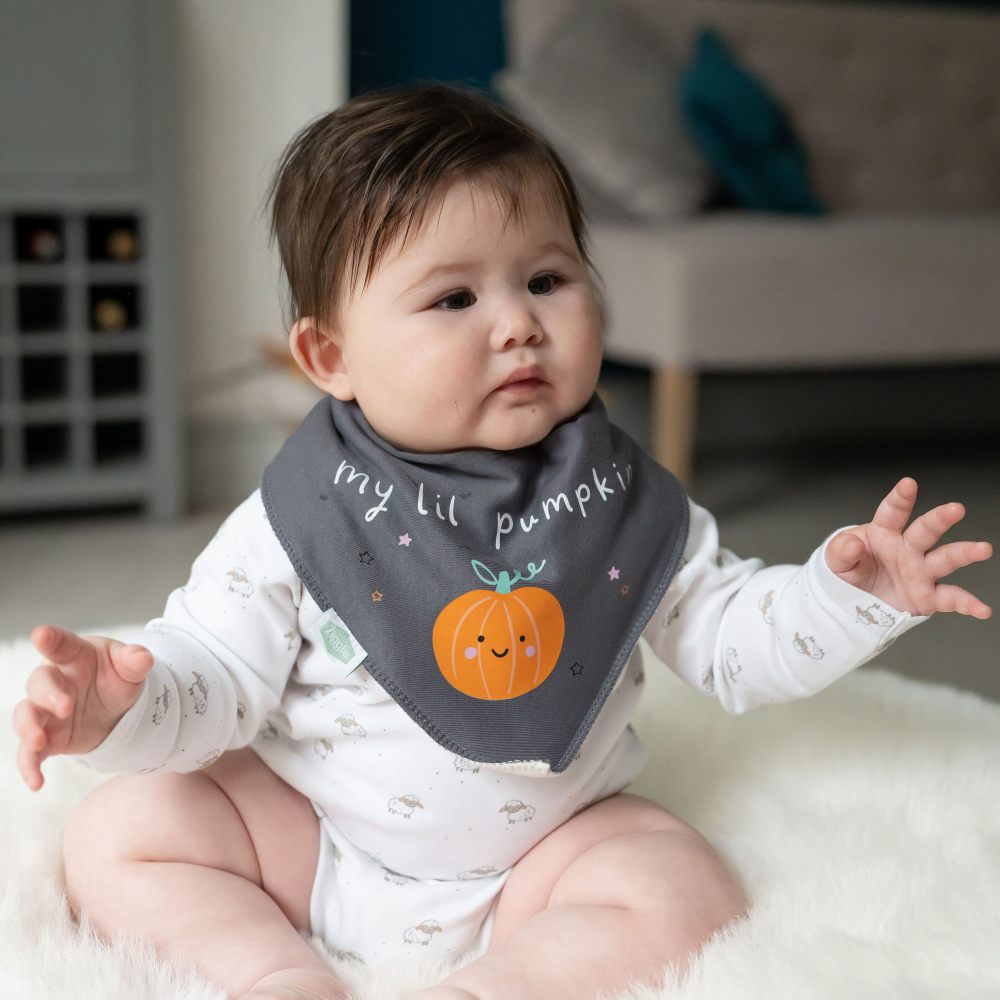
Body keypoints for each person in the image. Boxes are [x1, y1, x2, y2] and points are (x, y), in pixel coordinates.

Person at [12, 85, 993, 1000]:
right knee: (126, 827)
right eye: (454, 300)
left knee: (681, 878)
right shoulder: (299, 514)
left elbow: (730, 641)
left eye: (546, 278)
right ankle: (274, 975)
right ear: (331, 357)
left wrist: (845, 594)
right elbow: (218, 677)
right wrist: (123, 703)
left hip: (542, 856)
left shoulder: (618, 499)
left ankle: (494, 985)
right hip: (312, 833)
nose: (519, 324)